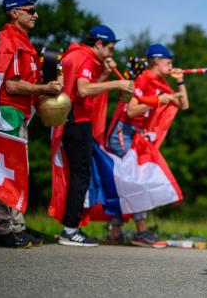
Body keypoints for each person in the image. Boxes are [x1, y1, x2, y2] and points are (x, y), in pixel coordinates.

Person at [0, 0, 61, 247]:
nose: (36, 15)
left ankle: (16, 225)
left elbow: (28, 83)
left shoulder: (24, 42)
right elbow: (11, 87)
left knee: (16, 171)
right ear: (14, 13)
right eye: (30, 10)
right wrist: (45, 90)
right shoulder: (10, 42)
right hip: (7, 112)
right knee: (2, 171)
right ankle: (2, 229)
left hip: (18, 113)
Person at [57, 24, 134, 247]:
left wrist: (106, 74)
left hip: (73, 118)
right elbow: (83, 90)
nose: (111, 53)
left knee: (80, 174)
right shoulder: (86, 58)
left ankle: (71, 227)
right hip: (77, 121)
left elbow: (86, 89)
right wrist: (117, 83)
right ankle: (70, 229)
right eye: (109, 48)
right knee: (81, 175)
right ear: (98, 44)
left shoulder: (78, 55)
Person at [106, 44, 188, 247]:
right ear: (156, 61)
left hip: (136, 134)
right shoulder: (142, 79)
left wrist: (180, 82)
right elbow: (132, 110)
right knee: (135, 180)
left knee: (124, 181)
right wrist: (157, 101)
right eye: (168, 61)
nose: (171, 64)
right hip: (123, 132)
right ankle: (141, 231)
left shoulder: (160, 82)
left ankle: (115, 232)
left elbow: (184, 104)